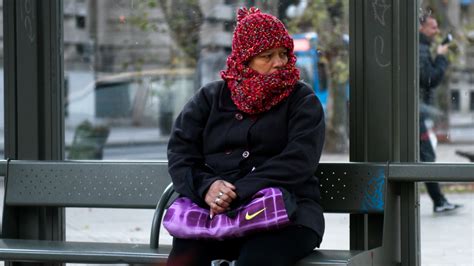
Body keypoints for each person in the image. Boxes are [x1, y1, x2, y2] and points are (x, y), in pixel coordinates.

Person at [166, 7, 325, 266]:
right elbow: (181, 153)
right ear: (244, 59)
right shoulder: (210, 98)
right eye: (267, 56)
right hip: (214, 216)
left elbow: (299, 160)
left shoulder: (302, 100)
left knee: (258, 259)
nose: (279, 63)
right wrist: (208, 187)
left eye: (284, 54)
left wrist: (236, 192)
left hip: (287, 216)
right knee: (184, 260)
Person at [419, 14, 462, 214]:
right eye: (432, 27)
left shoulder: (422, 47)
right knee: (427, 155)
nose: (436, 31)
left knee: (426, 154)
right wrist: (442, 57)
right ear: (421, 28)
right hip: (416, 113)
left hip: (418, 112)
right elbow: (430, 78)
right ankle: (439, 201)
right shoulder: (420, 49)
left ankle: (439, 200)